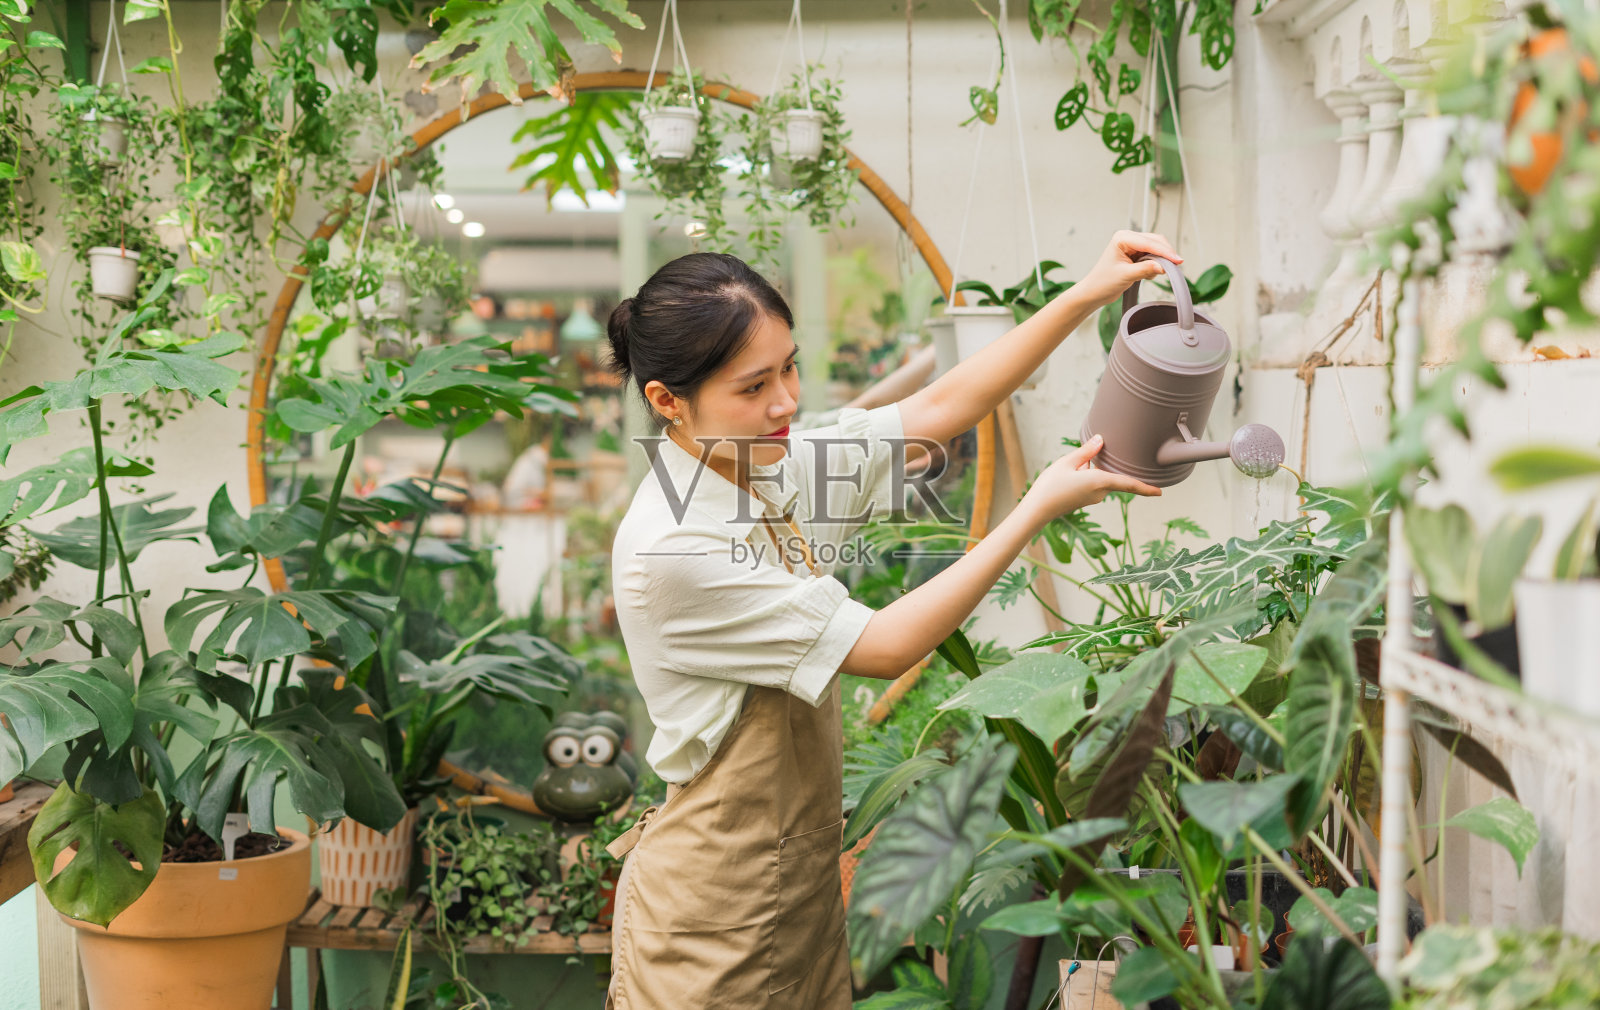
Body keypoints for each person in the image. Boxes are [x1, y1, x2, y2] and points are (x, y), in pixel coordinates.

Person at [602, 236, 1178, 1009]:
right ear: (668, 401)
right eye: (753, 386)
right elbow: (886, 646)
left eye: (788, 367)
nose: (785, 402)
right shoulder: (675, 547)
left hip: (796, 892)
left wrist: (1086, 294)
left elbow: (938, 409)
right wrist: (1032, 509)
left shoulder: (762, 461)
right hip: (710, 922)